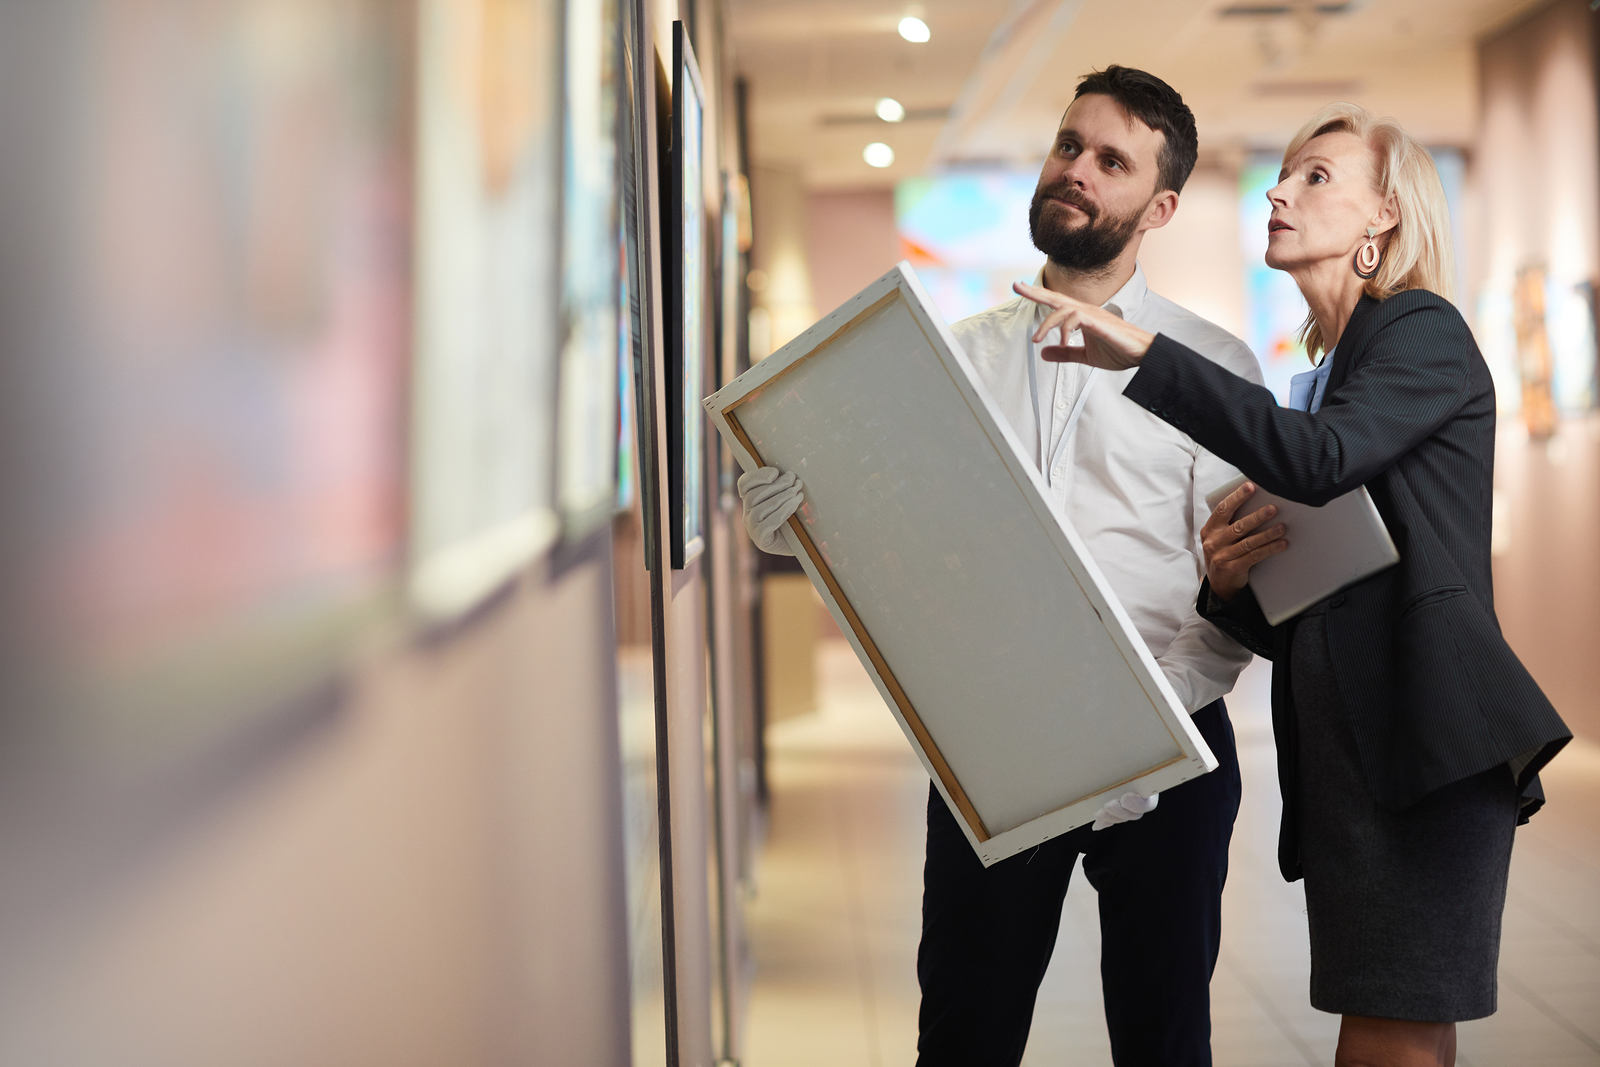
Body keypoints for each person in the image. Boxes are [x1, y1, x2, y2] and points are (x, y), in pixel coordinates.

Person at [1013, 102, 1571, 1067]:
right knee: (1406, 1031)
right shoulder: (1334, 374)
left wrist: (1143, 350)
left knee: (1389, 1033)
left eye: (1316, 176)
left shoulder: (1421, 331)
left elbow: (1319, 462)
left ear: (1382, 220)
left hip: (1427, 749)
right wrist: (1231, 586)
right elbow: (1331, 592)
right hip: (1364, 757)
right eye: (1283, 174)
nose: (1279, 189)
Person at [740, 67, 1263, 1066]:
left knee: (1163, 1039)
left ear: (1158, 207)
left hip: (1170, 752)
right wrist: (788, 520)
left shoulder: (1212, 363)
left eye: (1110, 161)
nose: (1076, 170)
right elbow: (876, 524)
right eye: (1069, 145)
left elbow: (1233, 578)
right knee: (966, 1032)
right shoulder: (952, 357)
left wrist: (1137, 714)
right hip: (994, 753)